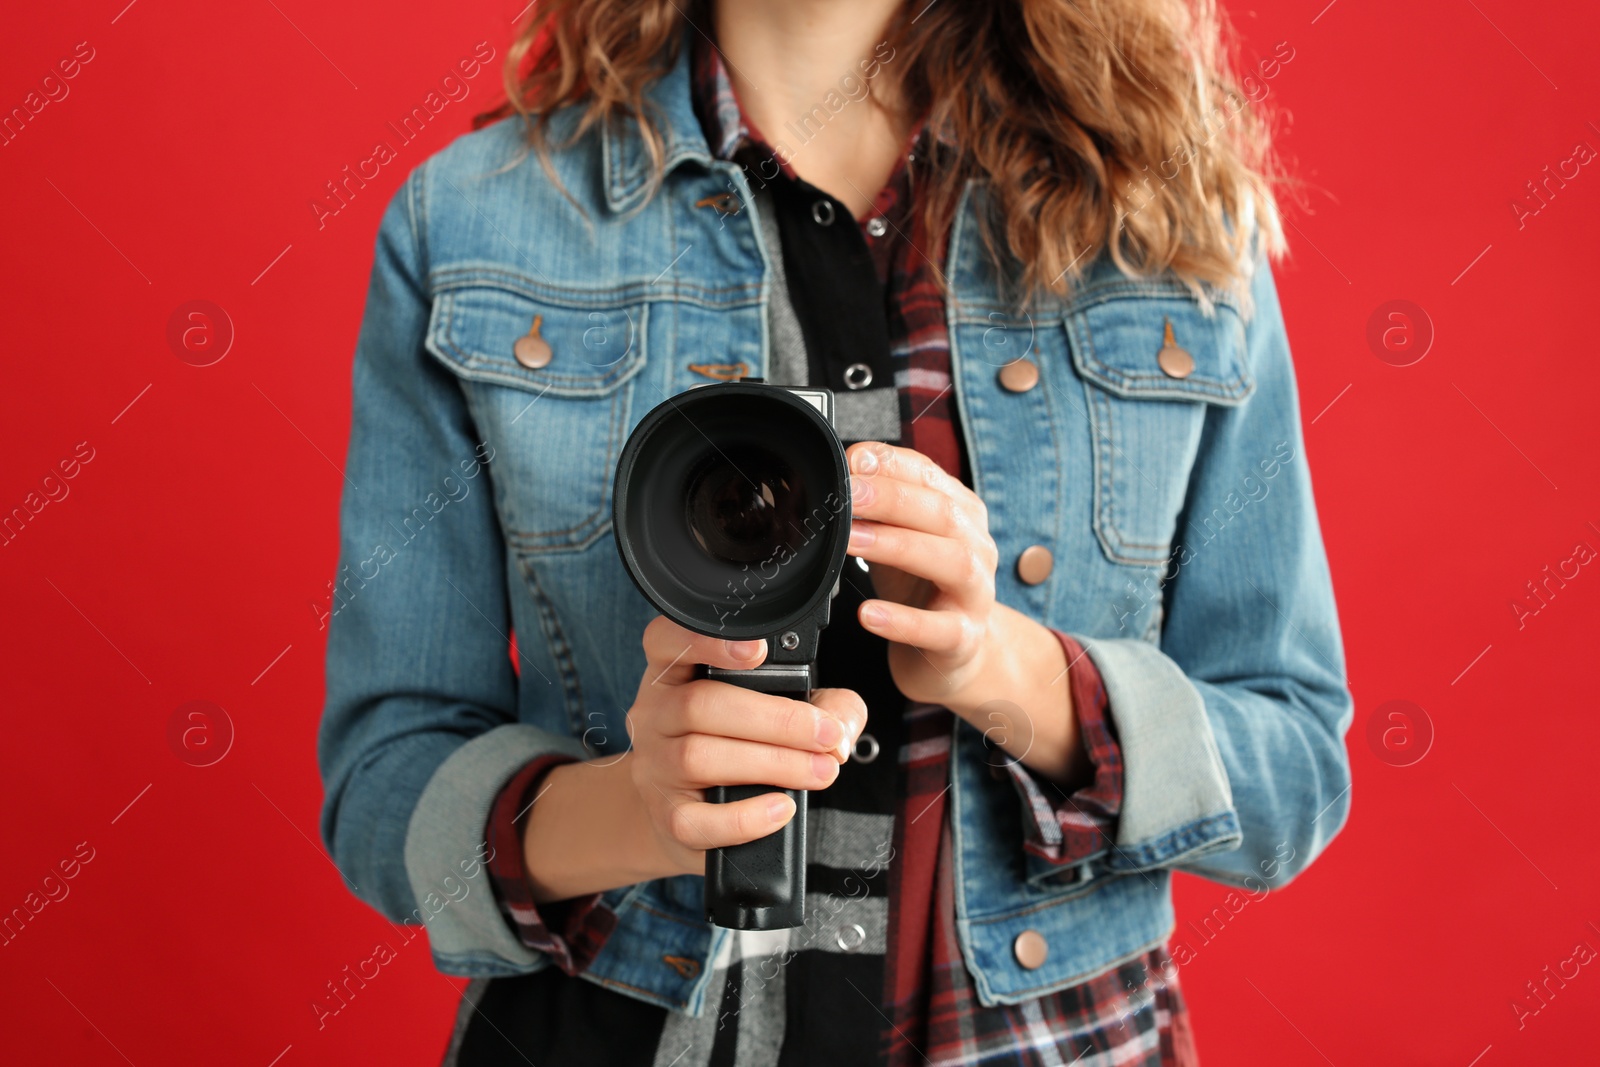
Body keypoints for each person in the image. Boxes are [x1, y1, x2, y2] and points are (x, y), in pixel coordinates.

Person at [318, 1, 1353, 1063]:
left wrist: (1002, 665)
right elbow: (383, 788)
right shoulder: (470, 223)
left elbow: (1293, 776)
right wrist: (640, 803)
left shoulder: (1162, 213)